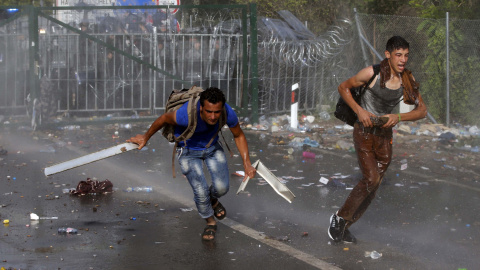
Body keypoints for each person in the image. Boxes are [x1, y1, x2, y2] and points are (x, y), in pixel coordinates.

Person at [328, 36, 427, 243]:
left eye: (406, 56)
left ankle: (344, 226)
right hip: (364, 131)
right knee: (371, 179)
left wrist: (398, 117)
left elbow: (422, 111)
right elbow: (343, 87)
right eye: (398, 55)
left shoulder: (406, 79)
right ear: (388, 55)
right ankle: (338, 218)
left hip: (385, 136)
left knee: (374, 185)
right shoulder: (371, 73)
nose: (403, 60)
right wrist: (359, 110)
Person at [128, 87, 256, 241]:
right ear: (201, 107)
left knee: (222, 188)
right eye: (209, 111)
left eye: (217, 112)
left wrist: (247, 164)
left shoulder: (227, 112)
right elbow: (164, 119)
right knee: (201, 193)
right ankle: (210, 222)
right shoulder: (185, 114)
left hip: (212, 147)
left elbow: (239, 134)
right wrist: (145, 137)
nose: (213, 116)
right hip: (188, 151)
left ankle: (214, 200)